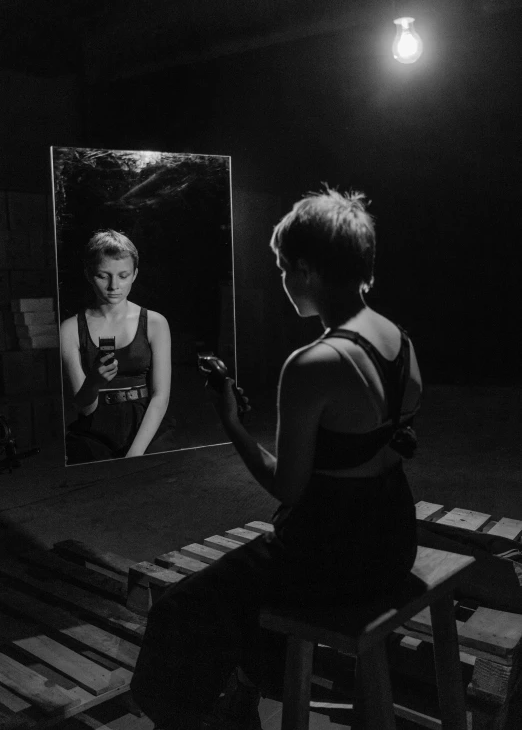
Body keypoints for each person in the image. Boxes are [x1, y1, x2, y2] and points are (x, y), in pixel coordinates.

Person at [130, 188, 422, 729]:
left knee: (179, 608)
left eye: (285, 267)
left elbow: (289, 487)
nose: (283, 279)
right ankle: (244, 691)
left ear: (308, 271)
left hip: (334, 552)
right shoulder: (399, 342)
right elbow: (360, 452)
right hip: (394, 537)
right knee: (241, 590)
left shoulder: (313, 362)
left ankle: (201, 717)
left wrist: (233, 426)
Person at [60, 229, 171, 464]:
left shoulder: (154, 323)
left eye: (123, 275)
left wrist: (134, 454)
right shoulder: (70, 329)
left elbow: (161, 396)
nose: (114, 286)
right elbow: (85, 409)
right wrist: (94, 382)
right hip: (94, 433)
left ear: (135, 274)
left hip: (146, 428)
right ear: (89, 275)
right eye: (103, 275)